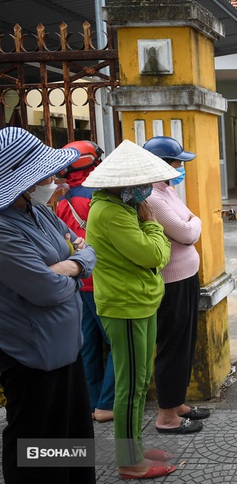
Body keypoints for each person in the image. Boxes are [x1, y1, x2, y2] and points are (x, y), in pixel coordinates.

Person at [0, 127, 97, 484]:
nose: (53, 180)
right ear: (22, 181)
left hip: (66, 350)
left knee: (74, 435)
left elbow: (85, 247)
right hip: (32, 357)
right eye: (45, 174)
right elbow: (45, 289)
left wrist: (70, 266)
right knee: (37, 445)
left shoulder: (39, 214)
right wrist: (75, 267)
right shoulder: (4, 230)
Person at [83, 139, 179, 479]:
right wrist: (153, 223)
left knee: (139, 381)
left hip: (139, 301)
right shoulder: (112, 212)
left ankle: (134, 447)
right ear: (122, 184)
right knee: (130, 384)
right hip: (126, 307)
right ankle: (129, 460)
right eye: (140, 184)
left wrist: (148, 226)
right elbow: (154, 255)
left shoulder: (122, 208)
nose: (145, 191)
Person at [142, 136, 209, 434]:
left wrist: (192, 222)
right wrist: (194, 222)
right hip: (172, 282)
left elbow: (188, 223)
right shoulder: (151, 197)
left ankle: (176, 402)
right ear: (161, 164)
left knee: (185, 343)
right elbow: (186, 231)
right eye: (177, 161)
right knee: (171, 345)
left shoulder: (166, 190)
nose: (181, 167)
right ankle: (166, 417)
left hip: (187, 277)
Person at [56, 140, 115, 423]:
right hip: (100, 278)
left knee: (88, 344)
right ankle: (107, 404)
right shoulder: (97, 196)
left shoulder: (62, 197)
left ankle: (91, 403)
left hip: (77, 280)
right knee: (117, 343)